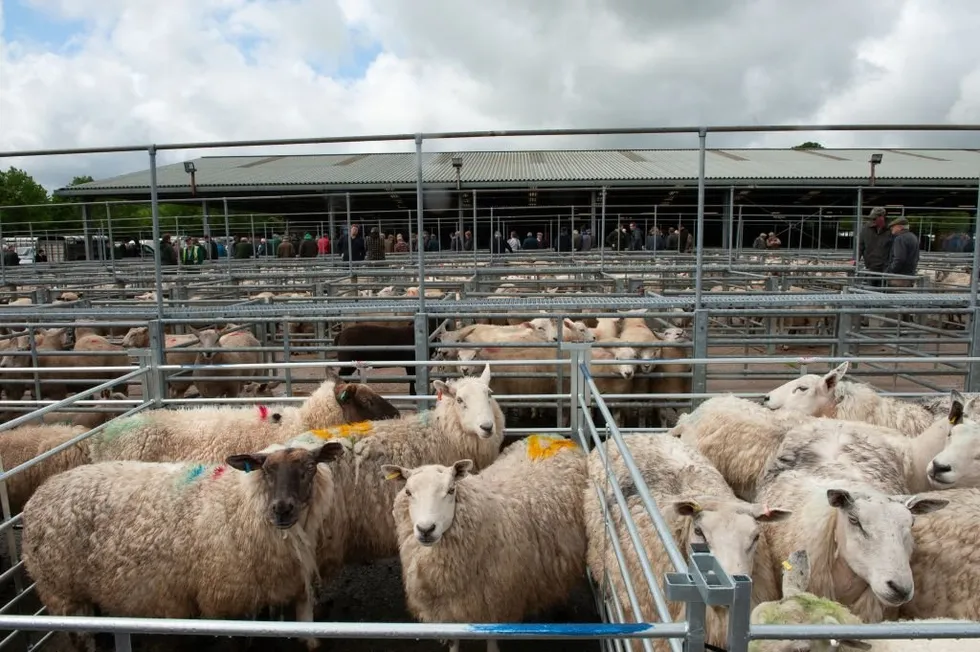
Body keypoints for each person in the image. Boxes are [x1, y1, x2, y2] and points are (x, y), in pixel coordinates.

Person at [858, 207, 892, 286]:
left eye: (874, 218)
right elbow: (860, 246)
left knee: (883, 290)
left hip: (885, 268)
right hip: (870, 267)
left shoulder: (890, 229)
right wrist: (855, 259)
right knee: (869, 289)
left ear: (882, 217)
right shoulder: (866, 229)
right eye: (872, 219)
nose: (872, 221)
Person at [885, 217, 919, 286]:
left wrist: (890, 271)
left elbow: (899, 259)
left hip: (899, 277)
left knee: (894, 295)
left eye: (893, 227)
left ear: (899, 227)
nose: (891, 229)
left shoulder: (900, 238)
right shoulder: (913, 237)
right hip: (909, 276)